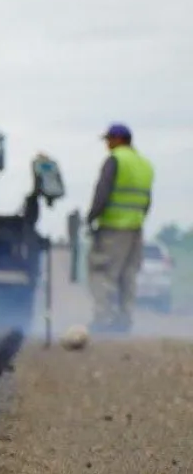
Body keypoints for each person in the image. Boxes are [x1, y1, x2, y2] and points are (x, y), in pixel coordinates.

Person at [85, 123, 154, 333]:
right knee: (127, 275)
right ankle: (124, 321)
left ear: (118, 139)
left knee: (102, 272)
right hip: (135, 228)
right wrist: (137, 220)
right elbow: (147, 201)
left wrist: (91, 217)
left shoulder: (115, 160)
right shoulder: (144, 164)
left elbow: (102, 192)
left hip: (112, 228)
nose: (107, 144)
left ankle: (104, 320)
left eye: (108, 139)